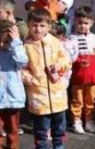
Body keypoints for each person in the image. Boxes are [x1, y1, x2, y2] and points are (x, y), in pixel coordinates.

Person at [23, 8, 71, 149]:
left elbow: (66, 60)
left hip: (57, 94)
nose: (38, 29)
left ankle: (58, 145)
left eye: (42, 25)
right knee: (41, 128)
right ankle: (42, 146)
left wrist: (59, 65)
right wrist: (29, 78)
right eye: (34, 25)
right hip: (39, 95)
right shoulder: (26, 46)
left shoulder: (55, 42)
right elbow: (22, 68)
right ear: (28, 25)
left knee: (59, 126)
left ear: (49, 26)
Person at [0, 19, 29, 149]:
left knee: (13, 129)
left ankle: (13, 147)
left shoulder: (16, 52)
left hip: (14, 99)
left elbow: (22, 61)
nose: (2, 44)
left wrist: (16, 42)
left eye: (6, 41)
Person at [64, 6, 95, 134]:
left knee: (91, 100)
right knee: (77, 100)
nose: (82, 26)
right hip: (78, 76)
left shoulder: (94, 38)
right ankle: (76, 121)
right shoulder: (71, 39)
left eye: (86, 23)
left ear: (91, 23)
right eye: (79, 23)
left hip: (93, 76)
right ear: (75, 22)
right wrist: (78, 61)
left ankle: (89, 121)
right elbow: (67, 57)